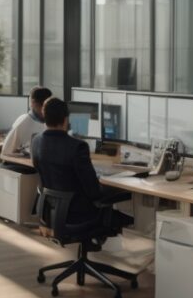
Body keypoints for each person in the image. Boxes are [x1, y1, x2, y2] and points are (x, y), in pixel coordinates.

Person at [30, 97, 133, 227]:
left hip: (51, 212)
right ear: (66, 119)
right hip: (79, 215)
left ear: (44, 118)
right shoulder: (77, 147)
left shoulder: (36, 141)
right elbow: (94, 192)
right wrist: (118, 190)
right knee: (127, 205)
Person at [0, 86, 52, 157]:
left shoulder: (48, 122)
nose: (46, 111)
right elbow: (6, 151)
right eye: (43, 107)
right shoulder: (24, 121)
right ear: (34, 103)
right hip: (22, 165)